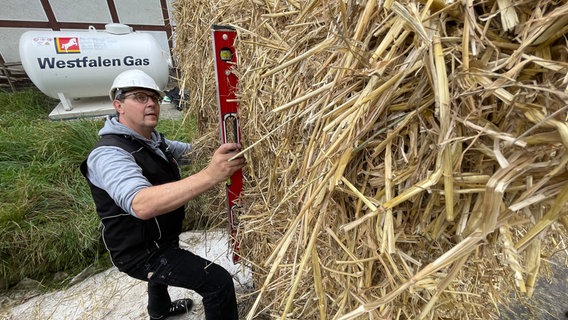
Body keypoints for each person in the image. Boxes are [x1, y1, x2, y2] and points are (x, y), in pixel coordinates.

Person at [80, 69, 244, 320]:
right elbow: (141, 204)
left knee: (163, 270)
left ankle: (159, 311)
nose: (150, 104)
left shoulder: (153, 141)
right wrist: (212, 175)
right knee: (217, 281)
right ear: (118, 105)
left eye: (154, 98)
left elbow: (195, 153)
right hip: (139, 252)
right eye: (139, 97)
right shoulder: (109, 154)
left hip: (158, 237)